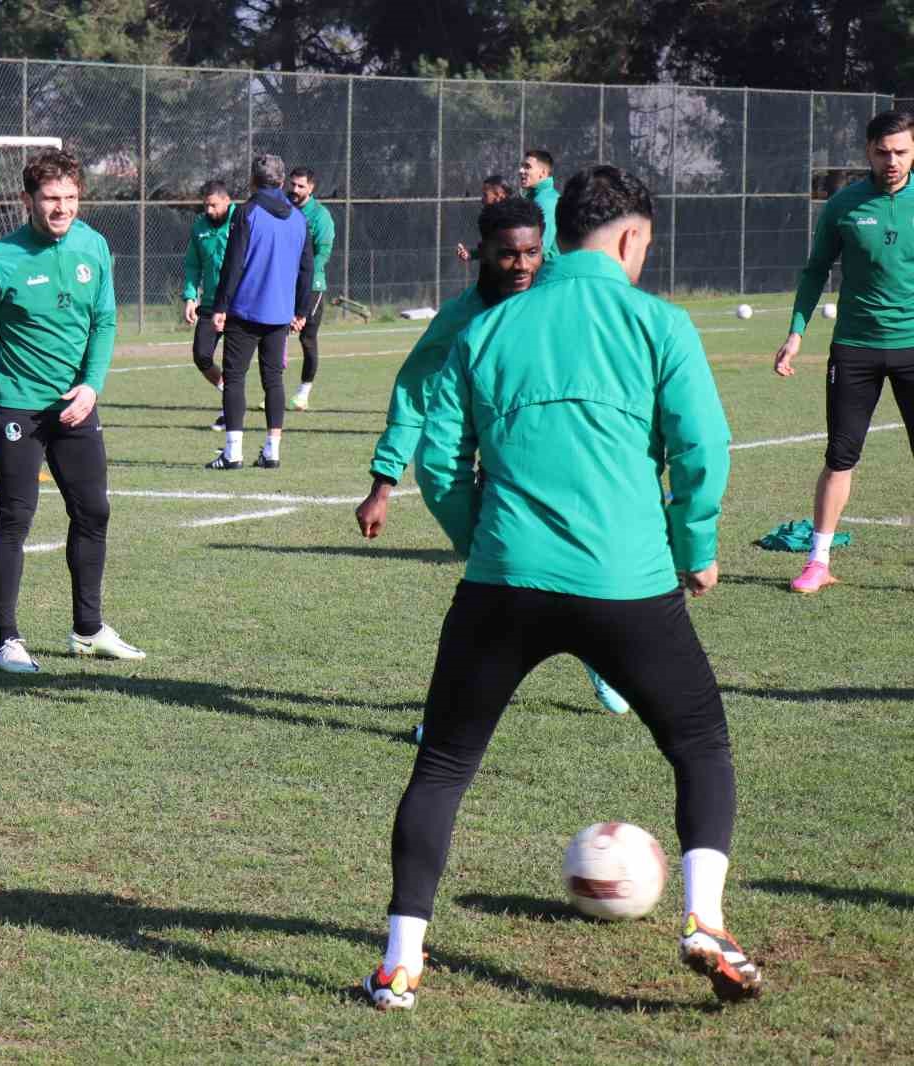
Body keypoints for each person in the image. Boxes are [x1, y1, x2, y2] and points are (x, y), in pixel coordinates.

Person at [360, 166, 761, 1011]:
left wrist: (487, 540)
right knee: (700, 747)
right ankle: (704, 922)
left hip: (503, 581)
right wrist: (698, 545)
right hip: (629, 583)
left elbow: (440, 460)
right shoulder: (658, 322)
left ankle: (401, 960)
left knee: (441, 767)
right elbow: (702, 452)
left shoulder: (490, 326)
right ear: (629, 239)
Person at [359, 197, 633, 716]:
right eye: (509, 255)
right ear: (482, 251)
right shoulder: (464, 319)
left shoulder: (565, 292)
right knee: (488, 607)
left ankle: (599, 659)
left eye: (532, 252)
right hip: (505, 481)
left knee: (590, 580)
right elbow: (415, 391)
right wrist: (383, 481)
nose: (523, 266)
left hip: (579, 469)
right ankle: (449, 718)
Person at [0, 149, 146, 673]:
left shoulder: (94, 246)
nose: (62, 208)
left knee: (94, 512)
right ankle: (6, 640)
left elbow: (104, 321)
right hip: (18, 405)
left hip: (75, 406)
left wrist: (91, 387)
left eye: (71, 198)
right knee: (15, 518)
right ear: (27, 200)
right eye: (52, 199)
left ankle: (87, 629)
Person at [774, 110, 914, 594]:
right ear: (868, 151)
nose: (892, 161)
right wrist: (796, 333)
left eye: (901, 151)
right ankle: (817, 561)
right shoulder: (844, 205)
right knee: (840, 457)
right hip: (854, 349)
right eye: (882, 151)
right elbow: (815, 270)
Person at [205, 154, 313, 471]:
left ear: (252, 181)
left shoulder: (247, 212)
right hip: (280, 313)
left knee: (235, 379)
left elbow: (233, 262)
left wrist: (221, 306)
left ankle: (233, 452)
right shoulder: (298, 217)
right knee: (274, 381)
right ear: (281, 182)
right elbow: (306, 268)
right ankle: (272, 451)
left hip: (245, 310)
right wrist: (301, 309)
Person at [182, 179, 235, 432]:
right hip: (211, 304)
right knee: (202, 356)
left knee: (234, 361)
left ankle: (230, 412)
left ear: (227, 201)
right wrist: (190, 297)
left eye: (214, 205)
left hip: (238, 305)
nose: (210, 211)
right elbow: (193, 265)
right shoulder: (199, 227)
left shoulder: (241, 221)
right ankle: (229, 394)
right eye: (206, 206)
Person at [285, 166, 335, 412]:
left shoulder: (320, 216)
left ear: (311, 188)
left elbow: (323, 253)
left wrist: (302, 280)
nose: (294, 190)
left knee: (307, 339)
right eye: (292, 184)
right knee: (273, 338)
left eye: (300, 186)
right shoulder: (282, 208)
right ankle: (273, 390)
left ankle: (303, 392)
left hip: (311, 285)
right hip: (282, 283)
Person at [455, 174, 517, 261]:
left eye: (485, 195)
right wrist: (470, 254)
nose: (482, 199)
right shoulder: (491, 219)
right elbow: (490, 249)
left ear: (499, 196)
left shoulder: (510, 220)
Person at [518, 149, 560, 263]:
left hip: (548, 272)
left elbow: (541, 247)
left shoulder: (546, 202)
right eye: (522, 166)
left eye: (527, 167)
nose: (521, 171)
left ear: (543, 173)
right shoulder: (535, 198)